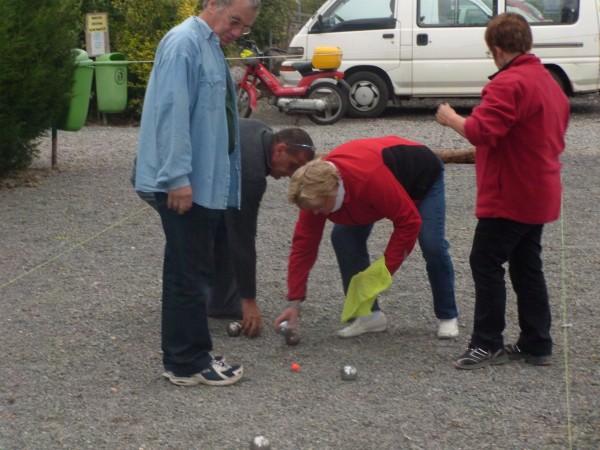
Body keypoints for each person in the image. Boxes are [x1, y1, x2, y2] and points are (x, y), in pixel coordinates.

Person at [133, 0, 260, 387]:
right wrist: (176, 178)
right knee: (190, 273)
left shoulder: (209, 47)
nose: (236, 32)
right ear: (212, 5)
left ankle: (189, 354)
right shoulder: (183, 43)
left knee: (189, 269)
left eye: (244, 28)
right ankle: (186, 364)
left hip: (203, 182)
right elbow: (169, 113)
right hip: (185, 184)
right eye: (234, 21)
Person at [435, 12, 570, 369]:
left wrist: (451, 118)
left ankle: (487, 342)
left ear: (496, 49)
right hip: (541, 189)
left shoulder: (508, 83)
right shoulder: (548, 81)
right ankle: (537, 343)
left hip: (512, 192)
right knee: (527, 265)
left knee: (486, 260)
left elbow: (482, 132)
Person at [273, 136, 459, 339]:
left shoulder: (369, 180)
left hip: (421, 176)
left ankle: (447, 314)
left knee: (431, 243)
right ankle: (369, 316)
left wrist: (382, 272)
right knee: (343, 239)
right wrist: (294, 303)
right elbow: (303, 247)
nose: (316, 214)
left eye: (319, 208)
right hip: (373, 190)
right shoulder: (312, 194)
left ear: (333, 189)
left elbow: (408, 222)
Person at [208, 118, 315, 337]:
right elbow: (244, 240)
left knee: (223, 228)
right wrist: (249, 301)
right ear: (280, 150)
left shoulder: (262, 131)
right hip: (167, 180)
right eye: (293, 166)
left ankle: (221, 303)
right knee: (202, 235)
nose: (290, 175)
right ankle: (185, 311)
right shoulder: (251, 175)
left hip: (202, 180)